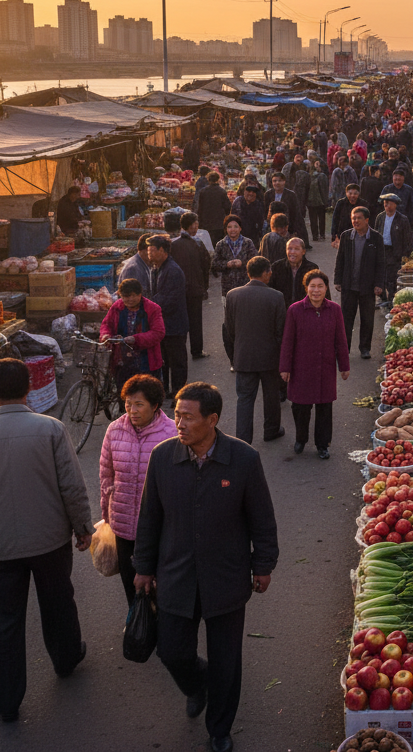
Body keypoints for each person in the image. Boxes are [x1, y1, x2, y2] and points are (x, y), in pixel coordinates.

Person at [133, 382, 279, 752]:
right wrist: (144, 567)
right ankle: (198, 683)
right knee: (172, 651)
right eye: (177, 414)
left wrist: (263, 564)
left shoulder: (243, 460)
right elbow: (149, 517)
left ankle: (220, 728)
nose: (178, 422)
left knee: (226, 661)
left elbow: (262, 518)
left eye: (188, 417)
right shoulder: (163, 458)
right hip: (176, 575)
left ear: (212, 420)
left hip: (226, 578)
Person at [0, 358, 93, 722]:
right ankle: (66, 659)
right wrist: (82, 527)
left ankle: (6, 700)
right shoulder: (51, 429)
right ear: (29, 389)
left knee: (4, 622)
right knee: (59, 603)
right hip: (49, 541)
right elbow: (72, 487)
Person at [98, 374, 176, 606]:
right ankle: (138, 624)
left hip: (160, 526)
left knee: (161, 583)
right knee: (130, 581)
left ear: (155, 406)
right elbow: (106, 475)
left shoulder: (172, 433)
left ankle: (163, 625)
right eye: (128, 404)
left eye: (139, 404)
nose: (132, 410)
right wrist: (107, 513)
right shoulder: (114, 430)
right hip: (123, 524)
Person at [280, 269, 349, 459]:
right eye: (313, 286)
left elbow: (341, 340)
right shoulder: (295, 310)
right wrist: (285, 367)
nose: (316, 291)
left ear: (326, 288)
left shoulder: (334, 310)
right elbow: (287, 341)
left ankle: (322, 444)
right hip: (301, 367)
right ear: (306, 288)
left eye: (320, 286)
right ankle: (301, 439)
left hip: (325, 367)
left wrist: (344, 366)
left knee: (325, 408)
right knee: (300, 407)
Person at [225, 257, 286, 444]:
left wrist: (234, 356)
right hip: (269, 357)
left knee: (244, 400)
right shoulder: (276, 297)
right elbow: (280, 331)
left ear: (248, 273)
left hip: (243, 356)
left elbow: (228, 330)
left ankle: (243, 440)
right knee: (271, 396)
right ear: (267, 273)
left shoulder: (233, 295)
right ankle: (271, 430)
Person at [333, 205, 385, 360]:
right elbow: (340, 259)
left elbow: (381, 263)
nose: (355, 221)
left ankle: (365, 348)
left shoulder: (376, 238)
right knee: (345, 319)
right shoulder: (346, 236)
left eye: (359, 218)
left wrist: (379, 283)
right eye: (353, 218)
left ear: (367, 220)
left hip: (367, 286)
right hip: (349, 284)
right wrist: (337, 279)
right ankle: (344, 349)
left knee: (367, 318)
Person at [146, 235, 190, 401]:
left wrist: (148, 306)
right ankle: (164, 390)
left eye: (152, 251)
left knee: (177, 362)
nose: (149, 254)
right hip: (161, 323)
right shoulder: (156, 268)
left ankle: (179, 393)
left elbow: (169, 299)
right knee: (163, 359)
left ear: (162, 251)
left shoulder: (173, 270)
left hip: (174, 323)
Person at [100, 278, 166, 387]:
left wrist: (136, 339)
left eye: (134, 295)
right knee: (124, 396)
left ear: (140, 294)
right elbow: (106, 324)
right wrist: (105, 335)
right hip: (122, 361)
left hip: (146, 361)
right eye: (126, 296)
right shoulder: (117, 307)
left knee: (147, 396)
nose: (130, 299)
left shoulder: (153, 308)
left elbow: (158, 332)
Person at [171, 211, 212, 361]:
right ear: (192, 225)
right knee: (195, 321)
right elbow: (206, 264)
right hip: (195, 288)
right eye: (196, 224)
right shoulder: (198, 243)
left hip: (178, 289)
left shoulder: (173, 244)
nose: (197, 227)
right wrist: (204, 286)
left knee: (179, 319)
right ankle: (196, 350)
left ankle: (179, 349)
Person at [375, 193, 413, 305]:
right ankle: (382, 297)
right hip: (382, 250)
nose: (387, 206)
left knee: (392, 276)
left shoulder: (402, 219)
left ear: (395, 205)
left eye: (389, 204)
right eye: (385, 203)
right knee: (380, 274)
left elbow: (408, 238)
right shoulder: (380, 217)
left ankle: (391, 298)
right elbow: (375, 233)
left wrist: (407, 254)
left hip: (395, 251)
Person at [212, 215, 259, 301]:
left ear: (240, 228)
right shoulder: (221, 245)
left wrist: (242, 263)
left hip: (246, 286)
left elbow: (255, 261)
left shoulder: (248, 243)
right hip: (228, 289)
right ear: (226, 229)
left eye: (235, 226)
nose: (232, 229)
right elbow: (214, 264)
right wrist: (226, 264)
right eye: (229, 227)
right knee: (229, 313)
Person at [263, 171, 308, 247]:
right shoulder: (268, 194)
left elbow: (295, 213)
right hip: (271, 227)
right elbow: (264, 211)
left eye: (279, 181)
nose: (277, 183)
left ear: (284, 182)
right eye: (274, 181)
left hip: (286, 227)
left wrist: (294, 230)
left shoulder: (291, 195)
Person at [271, 237, 318, 308]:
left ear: (303, 251)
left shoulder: (311, 268)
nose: (292, 252)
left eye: (296, 249)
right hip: (282, 309)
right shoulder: (277, 267)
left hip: (304, 309)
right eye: (289, 248)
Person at [198, 171, 232, 246]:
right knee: (217, 244)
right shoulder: (221, 192)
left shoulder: (203, 191)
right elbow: (228, 207)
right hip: (219, 223)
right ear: (218, 179)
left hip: (206, 223)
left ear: (208, 180)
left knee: (207, 244)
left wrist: (200, 222)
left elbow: (199, 208)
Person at [307, 160, 329, 241]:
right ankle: (318, 235)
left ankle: (318, 235)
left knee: (317, 219)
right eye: (316, 164)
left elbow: (324, 189)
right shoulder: (315, 176)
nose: (317, 166)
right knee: (317, 219)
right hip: (316, 201)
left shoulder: (319, 176)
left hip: (315, 201)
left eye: (318, 165)